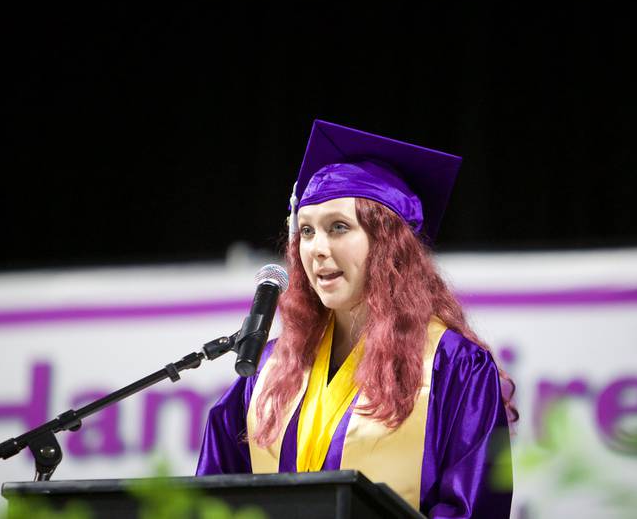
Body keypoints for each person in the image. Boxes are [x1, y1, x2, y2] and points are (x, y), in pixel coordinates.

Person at [197, 120, 516, 518]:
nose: (316, 249)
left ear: (389, 246)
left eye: (339, 228)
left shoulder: (454, 365)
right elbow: (215, 496)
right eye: (308, 231)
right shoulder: (271, 368)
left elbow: (473, 507)